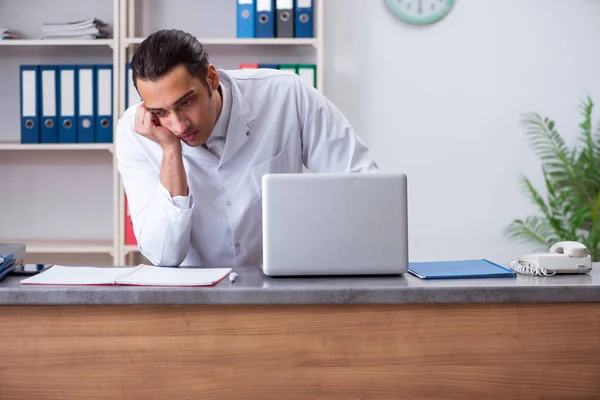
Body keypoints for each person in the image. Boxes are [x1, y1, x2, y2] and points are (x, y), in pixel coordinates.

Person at [115, 29, 378, 267]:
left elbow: (361, 184)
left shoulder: (286, 95)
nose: (179, 125)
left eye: (186, 102)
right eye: (161, 112)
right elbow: (164, 255)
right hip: (194, 302)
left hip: (283, 287)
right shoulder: (134, 132)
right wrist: (171, 152)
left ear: (211, 77)